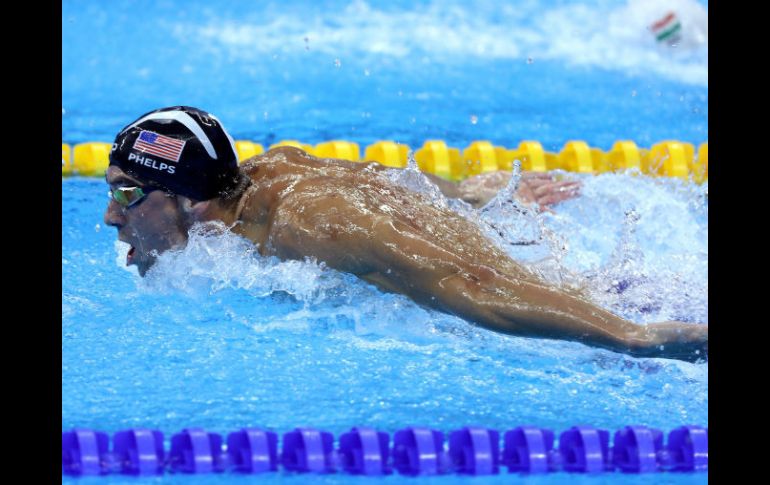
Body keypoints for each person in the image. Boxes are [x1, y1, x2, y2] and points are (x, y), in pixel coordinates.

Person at [104, 106, 707, 362]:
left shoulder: (310, 224)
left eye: (127, 193)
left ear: (187, 198)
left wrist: (630, 335)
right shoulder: (268, 170)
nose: (111, 216)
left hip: (595, 309)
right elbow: (384, 176)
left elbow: (469, 281)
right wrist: (474, 195)